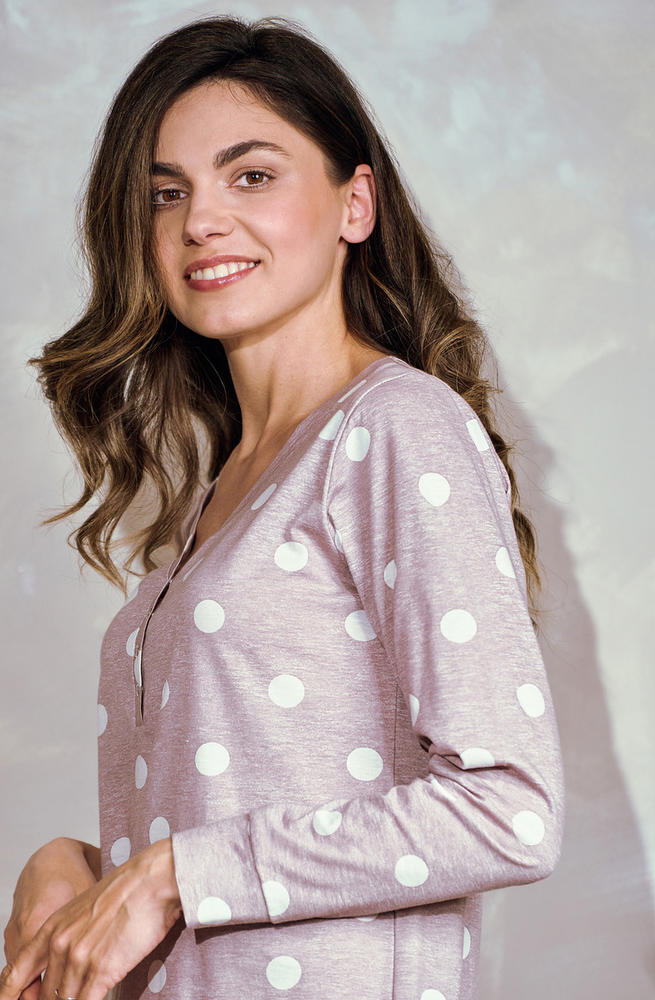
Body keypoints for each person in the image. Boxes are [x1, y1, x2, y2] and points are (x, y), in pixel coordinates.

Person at [1, 15, 565, 1000]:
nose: (201, 221)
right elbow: (230, 823)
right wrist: (82, 867)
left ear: (356, 204)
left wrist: (171, 876)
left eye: (250, 175)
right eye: (166, 193)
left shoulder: (395, 428)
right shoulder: (225, 484)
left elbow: (509, 810)